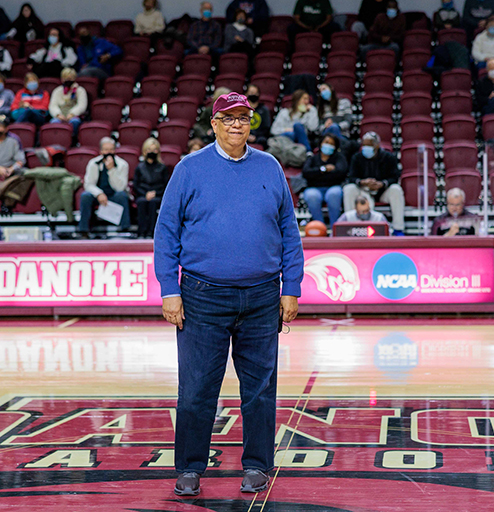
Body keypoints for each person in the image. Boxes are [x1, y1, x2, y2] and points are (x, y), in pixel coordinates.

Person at [153, 91, 303, 497]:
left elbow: (289, 230)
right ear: (214, 125)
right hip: (202, 296)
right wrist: (170, 289)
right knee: (198, 387)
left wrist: (292, 287)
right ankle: (189, 467)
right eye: (229, 118)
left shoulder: (270, 167)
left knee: (259, 390)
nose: (237, 124)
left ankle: (257, 465)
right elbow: (166, 232)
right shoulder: (188, 169)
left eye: (244, 118)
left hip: (261, 296)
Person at [343, 132, 405, 235]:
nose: (366, 148)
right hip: (363, 190)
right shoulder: (356, 157)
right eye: (364, 145)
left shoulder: (388, 157)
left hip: (382, 190)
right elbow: (351, 177)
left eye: (369, 145)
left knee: (396, 190)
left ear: (377, 145)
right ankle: (350, 226)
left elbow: (395, 177)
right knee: (349, 188)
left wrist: (382, 184)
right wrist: (363, 182)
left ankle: (398, 229)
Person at [78, 137, 132, 237]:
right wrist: (99, 193)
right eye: (106, 150)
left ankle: (125, 229)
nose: (109, 152)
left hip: (114, 194)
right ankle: (83, 230)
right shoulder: (93, 163)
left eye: (111, 149)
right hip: (98, 195)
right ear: (101, 151)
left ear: (115, 150)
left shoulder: (122, 164)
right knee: (85, 196)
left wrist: (111, 170)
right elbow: (88, 184)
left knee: (122, 195)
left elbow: (120, 187)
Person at [303, 134, 348, 227]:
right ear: (321, 144)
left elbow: (340, 173)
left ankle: (335, 226)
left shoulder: (339, 158)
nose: (329, 145)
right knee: (312, 196)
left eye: (332, 144)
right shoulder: (313, 158)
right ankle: (320, 227)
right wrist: (323, 169)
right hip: (314, 188)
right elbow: (306, 173)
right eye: (326, 142)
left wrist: (317, 174)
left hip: (333, 186)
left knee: (334, 194)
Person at [134, 137, 168, 238]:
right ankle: (141, 231)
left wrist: (155, 193)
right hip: (143, 194)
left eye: (154, 150)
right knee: (142, 202)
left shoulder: (162, 167)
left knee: (153, 203)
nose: (152, 152)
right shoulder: (139, 167)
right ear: (144, 151)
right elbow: (136, 185)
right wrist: (145, 194)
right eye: (149, 149)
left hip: (158, 195)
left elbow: (165, 185)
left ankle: (152, 232)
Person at [48, 67, 87, 134]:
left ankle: (73, 139)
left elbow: (82, 105)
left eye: (70, 78)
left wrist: (72, 114)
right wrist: (58, 114)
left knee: (75, 122)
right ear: (62, 79)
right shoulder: (57, 91)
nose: (68, 80)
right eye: (66, 78)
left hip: (74, 115)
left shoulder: (80, 90)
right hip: (60, 115)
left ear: (74, 79)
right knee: (54, 122)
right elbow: (52, 105)